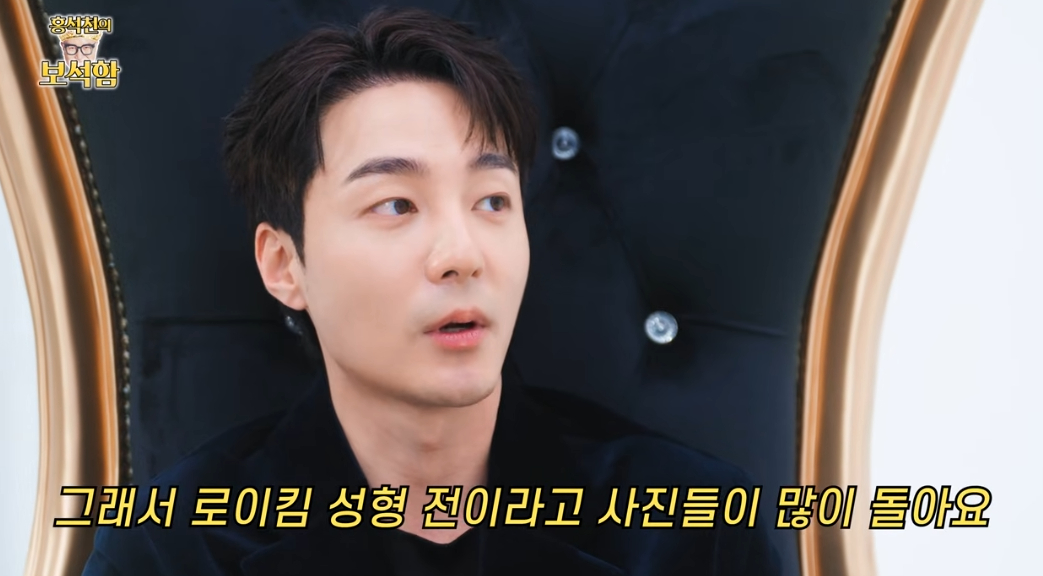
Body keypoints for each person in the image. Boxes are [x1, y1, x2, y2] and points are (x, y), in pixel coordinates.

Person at [82, 7, 781, 575]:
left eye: (491, 201)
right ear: (285, 265)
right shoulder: (170, 549)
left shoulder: (697, 531)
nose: (462, 256)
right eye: (396, 205)